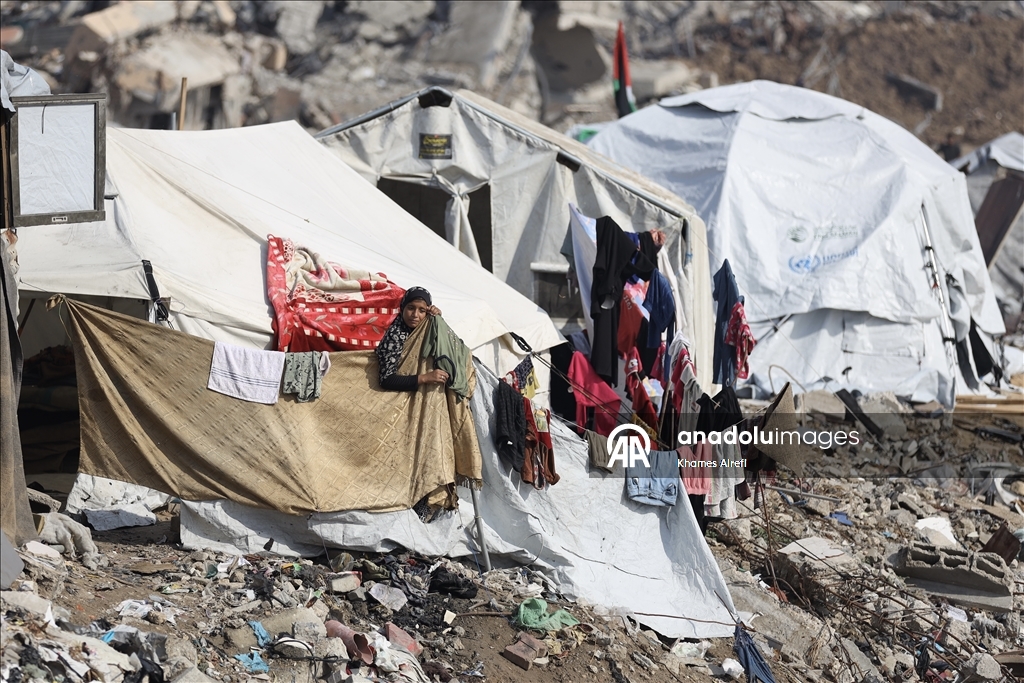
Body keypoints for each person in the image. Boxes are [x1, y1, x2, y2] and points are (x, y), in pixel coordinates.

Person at [376, 286, 448, 390]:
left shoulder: (426, 329)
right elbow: (386, 380)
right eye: (410, 308)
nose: (415, 315)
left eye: (422, 310)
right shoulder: (395, 335)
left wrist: (437, 319)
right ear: (402, 308)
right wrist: (425, 378)